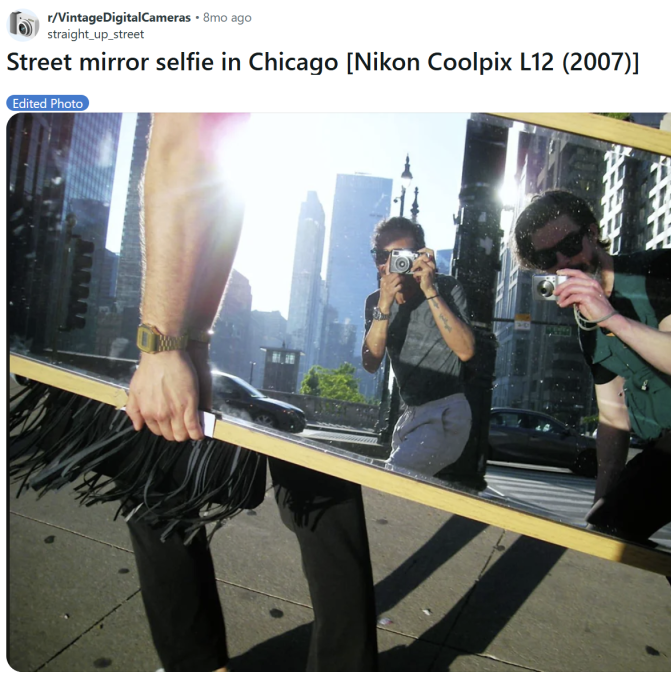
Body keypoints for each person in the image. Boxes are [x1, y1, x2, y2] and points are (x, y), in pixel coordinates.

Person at [125, 113, 377, 672]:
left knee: (159, 480)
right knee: (311, 478)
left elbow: (177, 149)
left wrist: (164, 344)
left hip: (181, 339)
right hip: (195, 339)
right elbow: (223, 190)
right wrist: (190, 341)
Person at [513, 190, 671, 541]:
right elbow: (614, 418)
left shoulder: (658, 270)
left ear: (592, 233)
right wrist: (600, 503)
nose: (564, 260)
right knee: (607, 527)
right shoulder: (588, 326)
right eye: (547, 256)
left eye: (569, 243)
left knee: (619, 523)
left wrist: (611, 316)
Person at [362, 216, 475, 476]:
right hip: (410, 415)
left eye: (400, 254)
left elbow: (466, 350)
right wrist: (384, 306)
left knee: (391, 482)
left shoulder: (446, 288)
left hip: (446, 412)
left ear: (418, 255)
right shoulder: (376, 302)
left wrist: (430, 289)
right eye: (381, 255)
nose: (389, 263)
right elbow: (370, 363)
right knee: (401, 493)